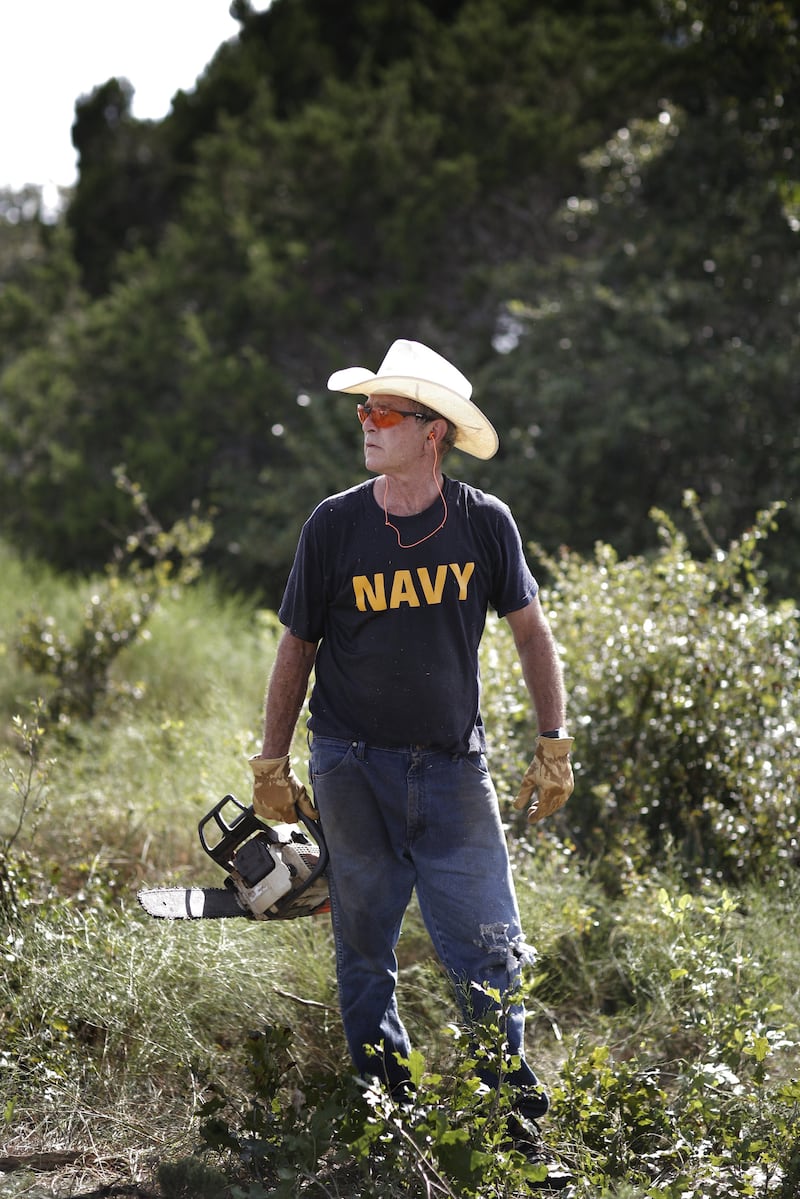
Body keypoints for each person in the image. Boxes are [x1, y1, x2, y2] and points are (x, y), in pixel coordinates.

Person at [249, 339, 574, 1163]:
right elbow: (297, 646)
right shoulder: (334, 524)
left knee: (491, 946)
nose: (366, 422)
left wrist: (554, 741)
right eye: (364, 408)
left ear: (433, 431)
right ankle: (385, 1112)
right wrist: (271, 762)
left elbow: (532, 632)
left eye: (384, 411)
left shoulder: (482, 522)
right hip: (350, 765)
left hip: (455, 768)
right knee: (363, 948)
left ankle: (514, 1125)